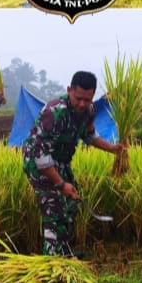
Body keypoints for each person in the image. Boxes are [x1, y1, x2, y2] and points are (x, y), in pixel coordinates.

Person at [21, 71, 122, 256]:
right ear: (69, 90)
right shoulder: (53, 112)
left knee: (70, 204)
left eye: (87, 99)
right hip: (37, 162)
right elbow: (41, 156)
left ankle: (63, 250)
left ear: (93, 96)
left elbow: (89, 135)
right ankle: (52, 260)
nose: (82, 104)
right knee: (54, 208)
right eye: (78, 98)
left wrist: (112, 148)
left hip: (61, 160)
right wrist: (60, 184)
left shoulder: (90, 111)